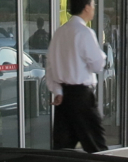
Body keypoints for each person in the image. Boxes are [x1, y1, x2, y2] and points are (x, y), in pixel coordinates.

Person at [46, 0, 107, 152]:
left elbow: (50, 66)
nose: (94, 8)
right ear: (86, 8)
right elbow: (97, 65)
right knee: (96, 145)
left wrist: (58, 91)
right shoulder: (84, 32)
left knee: (63, 147)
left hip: (64, 97)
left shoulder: (59, 32)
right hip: (81, 96)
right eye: (93, 5)